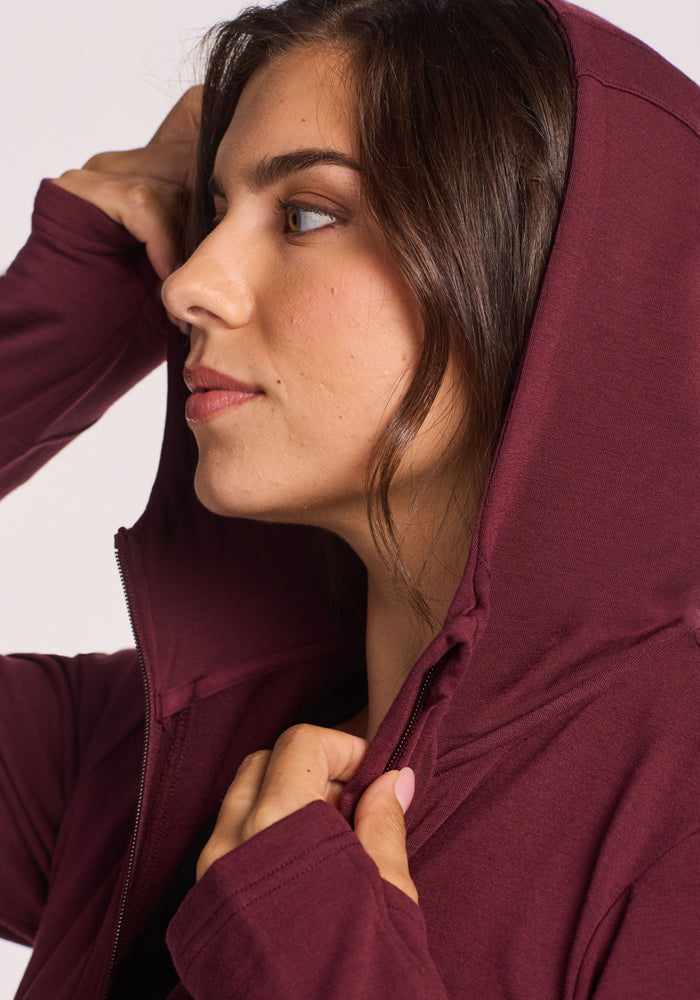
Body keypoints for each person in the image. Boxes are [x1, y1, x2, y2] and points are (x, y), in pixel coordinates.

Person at [0, 0, 698, 996]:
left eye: (306, 214)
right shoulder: (146, 755)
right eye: (208, 216)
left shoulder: (670, 825)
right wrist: (58, 314)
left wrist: (308, 956)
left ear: (554, 265)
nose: (189, 282)